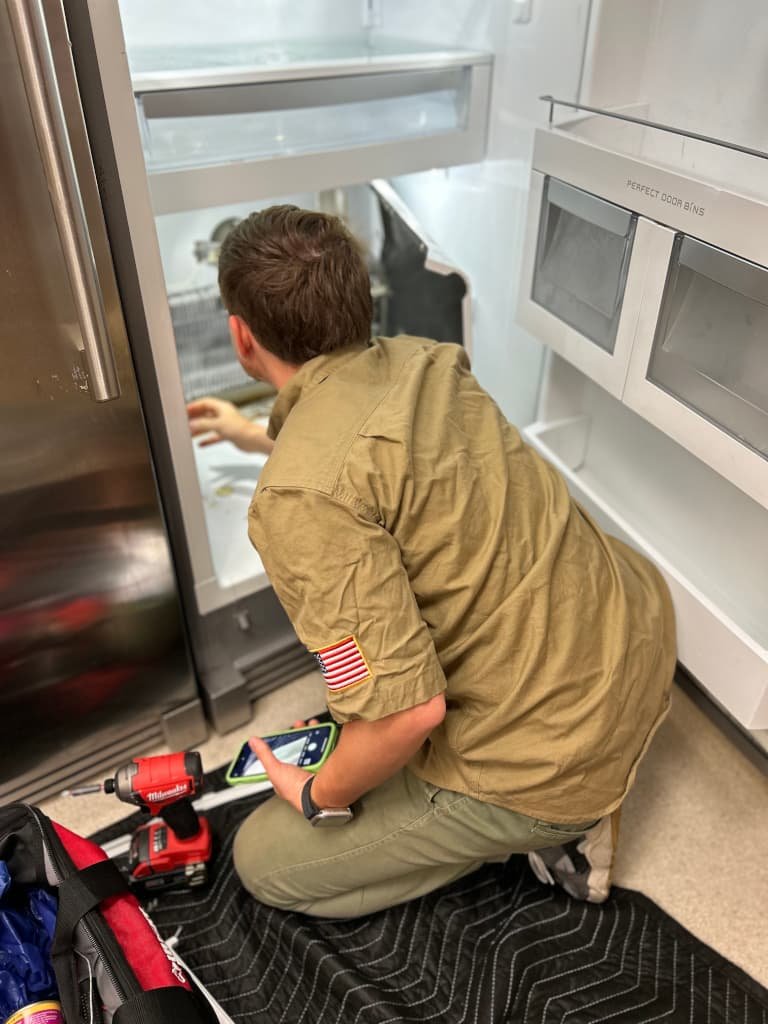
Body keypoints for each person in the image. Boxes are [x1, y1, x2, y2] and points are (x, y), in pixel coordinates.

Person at [187, 205, 676, 918]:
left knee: (265, 861)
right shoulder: (425, 361)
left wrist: (319, 797)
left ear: (240, 336)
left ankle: (562, 826)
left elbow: (412, 714)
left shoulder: (294, 506)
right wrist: (256, 436)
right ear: (361, 300)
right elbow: (374, 468)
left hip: (554, 756)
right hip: (634, 635)